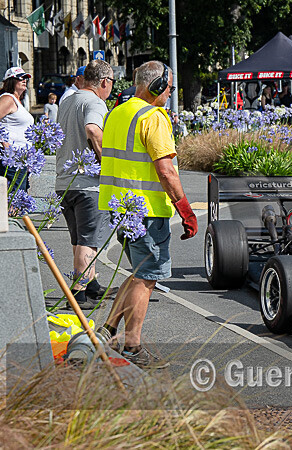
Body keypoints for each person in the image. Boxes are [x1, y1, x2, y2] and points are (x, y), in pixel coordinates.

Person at [97, 61, 198, 368]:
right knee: (147, 277)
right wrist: (186, 210)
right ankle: (132, 347)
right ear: (156, 88)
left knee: (138, 272)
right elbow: (166, 170)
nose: (170, 94)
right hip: (146, 211)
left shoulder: (118, 112)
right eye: (169, 88)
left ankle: (109, 330)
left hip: (121, 207)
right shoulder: (153, 117)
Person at [55, 59, 116, 308]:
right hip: (87, 183)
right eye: (111, 82)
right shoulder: (95, 102)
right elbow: (93, 129)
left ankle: (90, 284)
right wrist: (106, 164)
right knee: (88, 240)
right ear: (103, 82)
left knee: (78, 239)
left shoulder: (68, 99)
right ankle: (78, 294)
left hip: (64, 181)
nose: (111, 87)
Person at [0, 67, 34, 192]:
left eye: (26, 78)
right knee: (13, 200)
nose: (24, 80)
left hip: (21, 159)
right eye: (20, 77)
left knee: (19, 199)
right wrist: (3, 142)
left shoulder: (19, 101)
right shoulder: (8, 99)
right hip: (12, 158)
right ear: (11, 81)